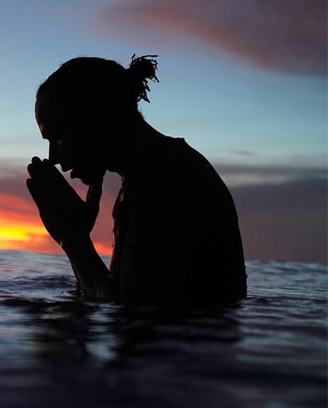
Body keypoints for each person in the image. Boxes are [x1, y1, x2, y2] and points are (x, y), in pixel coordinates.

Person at [26, 55, 246, 301]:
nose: (53, 157)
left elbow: (131, 307)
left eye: (57, 136)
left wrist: (72, 238)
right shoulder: (149, 174)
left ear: (96, 117)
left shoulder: (168, 180)